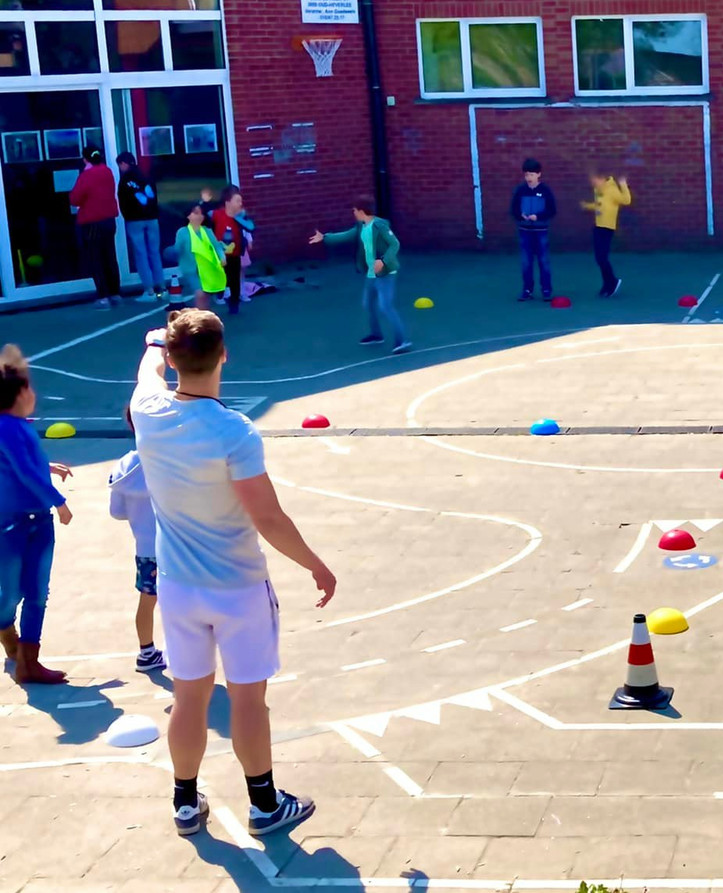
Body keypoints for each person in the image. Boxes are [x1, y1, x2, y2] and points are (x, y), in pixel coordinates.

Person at [131, 310, 336, 837]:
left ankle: (184, 801)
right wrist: (315, 564)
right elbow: (267, 517)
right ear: (223, 355)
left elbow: (147, 372)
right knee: (247, 697)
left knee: (189, 696)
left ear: (173, 357)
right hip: (239, 587)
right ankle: (264, 804)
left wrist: (154, 343)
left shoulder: (147, 410)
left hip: (178, 587)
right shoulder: (234, 431)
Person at [0, 344, 74, 685]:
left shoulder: (19, 425)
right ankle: (7, 632)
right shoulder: (7, 427)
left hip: (37, 522)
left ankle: (29, 661)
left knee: (37, 593)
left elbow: (26, 464)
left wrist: (48, 466)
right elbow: (24, 471)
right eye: (29, 388)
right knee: (12, 593)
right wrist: (59, 501)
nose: (34, 394)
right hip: (12, 524)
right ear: (18, 395)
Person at [309, 196, 411, 354]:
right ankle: (377, 335)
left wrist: (383, 261)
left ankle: (402, 340)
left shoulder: (380, 225)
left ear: (362, 211)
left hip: (385, 272)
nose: (354, 213)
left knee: (385, 306)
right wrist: (325, 238)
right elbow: (345, 235)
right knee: (368, 303)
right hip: (371, 273)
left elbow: (394, 244)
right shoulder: (361, 226)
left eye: (355, 210)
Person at [108, 406, 166, 673]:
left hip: (145, 548)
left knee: (147, 599)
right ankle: (190, 652)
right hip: (178, 545)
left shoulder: (124, 466)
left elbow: (116, 512)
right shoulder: (170, 461)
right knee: (188, 600)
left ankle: (146, 652)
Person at [68, 146, 122, 310]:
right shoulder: (107, 172)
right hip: (109, 220)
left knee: (95, 259)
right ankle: (115, 293)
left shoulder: (86, 175)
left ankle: (103, 297)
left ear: (85, 159)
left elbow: (75, 199)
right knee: (110, 256)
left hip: (92, 221)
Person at [117, 152, 166, 305]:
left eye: (120, 165)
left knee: (141, 254)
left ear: (123, 163)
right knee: (154, 252)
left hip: (135, 220)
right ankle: (162, 287)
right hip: (152, 218)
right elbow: (155, 196)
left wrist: (127, 216)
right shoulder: (146, 175)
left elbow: (123, 201)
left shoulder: (125, 180)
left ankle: (149, 290)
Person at [510, 158, 557, 302]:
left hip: (541, 231)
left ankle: (546, 290)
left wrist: (538, 216)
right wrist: (521, 215)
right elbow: (514, 209)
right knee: (526, 262)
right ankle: (527, 290)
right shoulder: (520, 190)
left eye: (531, 174)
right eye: (526, 175)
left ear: (538, 174)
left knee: (543, 261)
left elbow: (552, 210)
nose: (529, 178)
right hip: (525, 231)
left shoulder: (545, 191)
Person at [580, 173, 631, 298]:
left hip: (607, 228)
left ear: (602, 178)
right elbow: (600, 205)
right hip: (598, 226)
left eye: (595, 180)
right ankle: (606, 284)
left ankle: (612, 281)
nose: (593, 183)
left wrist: (623, 184)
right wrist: (588, 206)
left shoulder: (612, 190)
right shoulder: (598, 190)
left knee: (602, 258)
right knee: (599, 258)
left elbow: (626, 200)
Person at [172, 202, 228, 312]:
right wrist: (173, 251)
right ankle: (200, 317)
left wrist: (222, 257)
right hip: (191, 269)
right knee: (200, 293)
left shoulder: (207, 231)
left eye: (201, 213)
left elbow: (216, 246)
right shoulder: (182, 232)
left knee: (205, 295)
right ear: (188, 216)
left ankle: (205, 315)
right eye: (195, 213)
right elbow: (177, 249)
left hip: (207, 269)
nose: (199, 216)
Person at [211, 186, 249, 315]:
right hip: (220, 253)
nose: (240, 203)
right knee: (222, 276)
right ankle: (220, 292)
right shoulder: (216, 214)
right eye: (237, 200)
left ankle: (234, 303)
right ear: (227, 201)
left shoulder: (239, 216)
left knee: (235, 279)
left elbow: (249, 227)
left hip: (235, 252)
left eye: (240, 201)